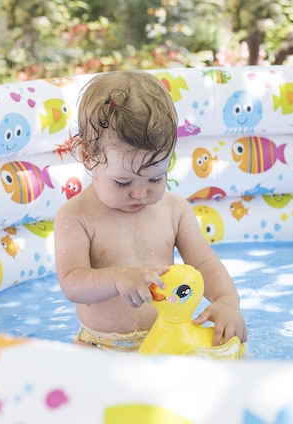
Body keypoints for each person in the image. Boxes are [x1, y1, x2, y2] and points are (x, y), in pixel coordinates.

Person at [54, 70, 247, 353]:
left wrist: (228, 301)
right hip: (103, 345)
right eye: (123, 182)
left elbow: (204, 265)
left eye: (156, 178)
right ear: (87, 157)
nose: (141, 193)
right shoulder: (76, 217)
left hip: (170, 339)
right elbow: (72, 282)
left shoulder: (174, 210)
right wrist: (118, 278)